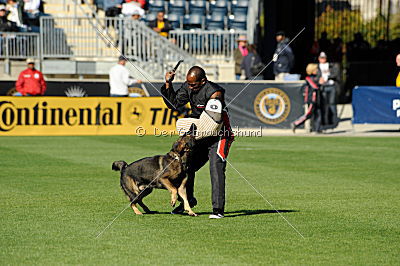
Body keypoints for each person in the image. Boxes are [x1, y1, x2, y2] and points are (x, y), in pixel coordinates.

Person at [161, 66, 234, 219]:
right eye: (188, 84)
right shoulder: (188, 87)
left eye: (193, 85)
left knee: (216, 167)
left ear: (203, 81)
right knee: (186, 165)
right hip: (200, 132)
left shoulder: (215, 92)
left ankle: (218, 209)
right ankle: (188, 201)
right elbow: (173, 104)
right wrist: (168, 84)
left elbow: (213, 123)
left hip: (219, 133)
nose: (190, 87)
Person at [291, 64, 322, 133]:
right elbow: (315, 86)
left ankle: (317, 129)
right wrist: (319, 83)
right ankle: (296, 123)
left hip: (317, 98)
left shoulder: (316, 77)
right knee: (309, 114)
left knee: (318, 113)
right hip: (311, 99)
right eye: (315, 69)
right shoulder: (308, 78)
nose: (317, 71)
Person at [317, 51, 339, 128]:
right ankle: (325, 121)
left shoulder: (331, 65)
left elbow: (335, 74)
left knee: (332, 103)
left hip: (331, 86)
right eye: (321, 58)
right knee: (324, 105)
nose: (323, 59)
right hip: (322, 87)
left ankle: (334, 120)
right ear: (319, 59)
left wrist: (327, 78)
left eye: (324, 58)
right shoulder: (317, 67)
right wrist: (319, 80)